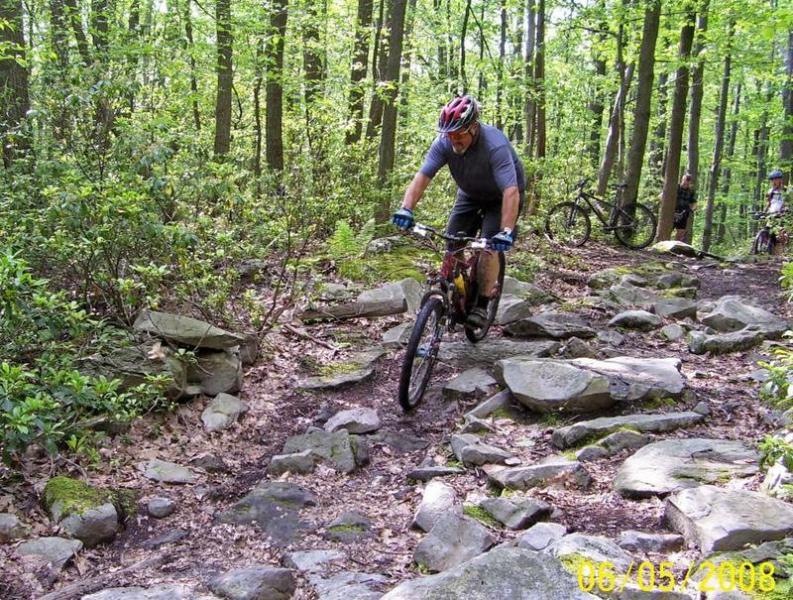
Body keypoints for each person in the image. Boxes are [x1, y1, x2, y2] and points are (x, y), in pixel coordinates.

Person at [391, 95, 526, 328]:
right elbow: (423, 176)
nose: (454, 140)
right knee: (452, 243)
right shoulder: (443, 143)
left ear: (473, 127)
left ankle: (482, 305)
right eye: (449, 134)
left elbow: (511, 192)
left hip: (500, 199)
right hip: (470, 194)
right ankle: (457, 293)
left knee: (489, 247)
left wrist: (505, 231)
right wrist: (406, 209)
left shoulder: (495, 146)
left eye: (459, 134)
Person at [672, 173, 697, 242]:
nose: (686, 184)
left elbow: (694, 202)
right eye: (685, 181)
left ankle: (674, 248)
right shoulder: (675, 187)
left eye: (688, 182)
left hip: (683, 214)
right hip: (672, 213)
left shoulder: (691, 191)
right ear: (682, 180)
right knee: (666, 230)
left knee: (680, 233)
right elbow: (661, 196)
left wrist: (692, 209)